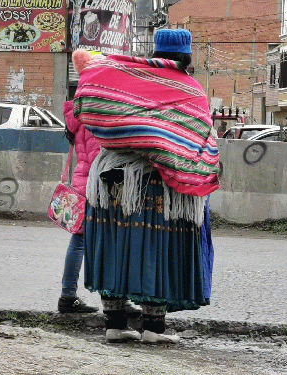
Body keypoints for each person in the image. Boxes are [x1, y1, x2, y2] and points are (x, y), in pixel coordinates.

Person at [72, 29, 220, 343]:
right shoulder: (189, 88)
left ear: (156, 52)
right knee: (157, 246)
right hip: (157, 183)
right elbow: (197, 135)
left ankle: (114, 324)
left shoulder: (122, 76)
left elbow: (86, 108)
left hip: (111, 177)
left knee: (115, 242)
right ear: (187, 56)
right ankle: (153, 329)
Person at [57, 100, 101, 314]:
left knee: (80, 239)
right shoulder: (94, 114)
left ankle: (68, 295)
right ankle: (68, 296)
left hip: (82, 180)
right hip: (94, 183)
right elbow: (98, 156)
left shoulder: (78, 113)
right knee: (90, 241)